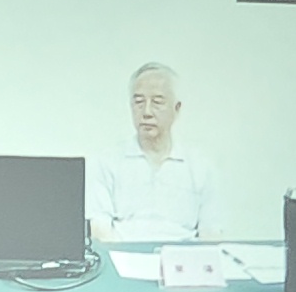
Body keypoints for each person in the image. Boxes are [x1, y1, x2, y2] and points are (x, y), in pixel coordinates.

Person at [88, 60, 215, 244]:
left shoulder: (200, 166)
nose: (146, 112)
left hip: (183, 258)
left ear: (177, 109)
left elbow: (211, 235)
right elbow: (100, 231)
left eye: (157, 102)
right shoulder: (107, 162)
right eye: (139, 102)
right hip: (123, 256)